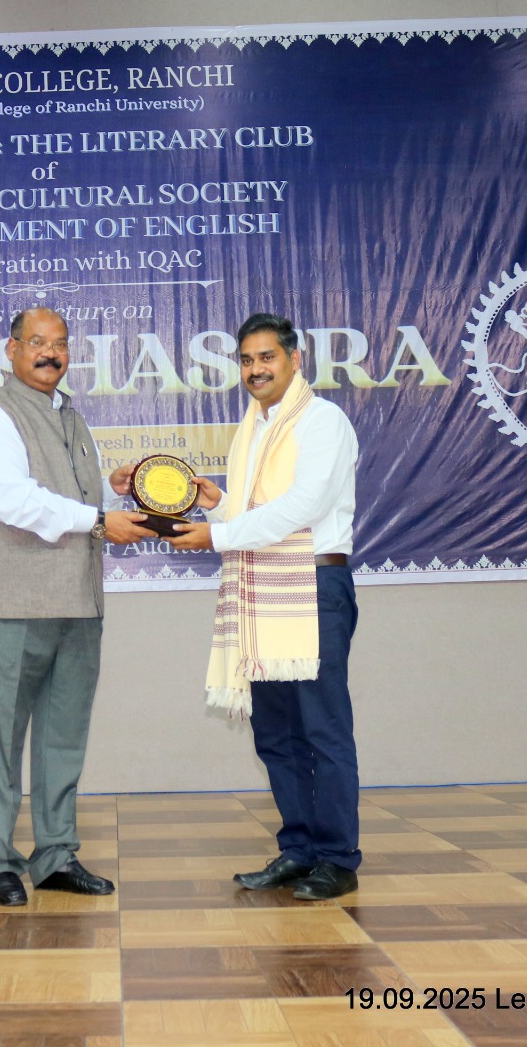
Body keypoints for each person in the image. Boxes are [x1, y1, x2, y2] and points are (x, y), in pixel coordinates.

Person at [155, 313, 361, 901]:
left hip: (313, 588)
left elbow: (303, 507)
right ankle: (298, 850)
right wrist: (217, 505)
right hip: (262, 590)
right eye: (246, 360)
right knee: (275, 733)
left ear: (295, 360)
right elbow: (254, 518)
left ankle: (338, 859)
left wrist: (217, 535)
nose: (255, 370)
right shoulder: (252, 429)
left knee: (322, 729)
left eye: (266, 357)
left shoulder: (322, 421)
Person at [0, 307, 155, 907]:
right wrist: (97, 518)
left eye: (61, 344)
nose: (51, 353)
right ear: (11, 350)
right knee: (1, 738)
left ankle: (55, 855)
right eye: (38, 342)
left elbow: (72, 502)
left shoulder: (71, 416)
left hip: (79, 601)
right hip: (13, 601)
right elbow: (13, 501)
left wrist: (111, 493)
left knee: (63, 737)